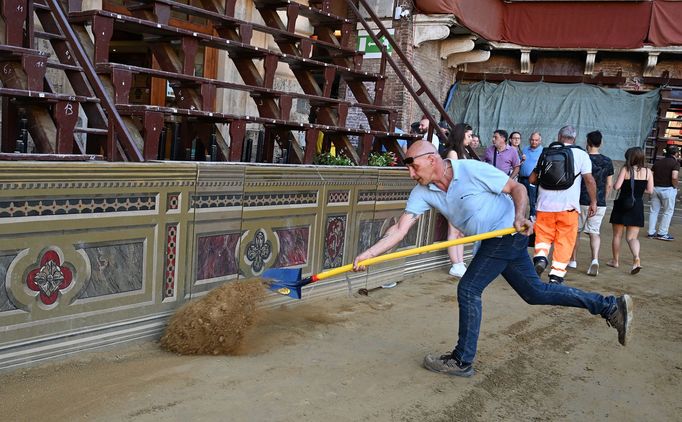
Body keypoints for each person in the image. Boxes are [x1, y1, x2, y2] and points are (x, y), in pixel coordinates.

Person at [352, 140, 632, 378]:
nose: (411, 173)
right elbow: (399, 230)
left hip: (506, 232)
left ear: (431, 159)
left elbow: (518, 189)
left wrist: (520, 216)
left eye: (413, 166)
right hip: (492, 240)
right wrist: (368, 255)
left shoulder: (472, 170)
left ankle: (462, 360)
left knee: (469, 288)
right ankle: (609, 306)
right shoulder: (423, 192)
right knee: (535, 293)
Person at [529, 125, 596, 285]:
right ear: (574, 138)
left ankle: (541, 258)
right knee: (564, 240)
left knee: (543, 236)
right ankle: (556, 275)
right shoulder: (581, 154)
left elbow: (532, 179)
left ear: (559, 136)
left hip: (544, 205)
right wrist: (593, 201)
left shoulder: (546, 152)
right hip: (569, 207)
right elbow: (589, 180)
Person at [569, 131, 614, 276]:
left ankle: (573, 260)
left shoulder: (582, 158)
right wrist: (603, 199)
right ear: (601, 143)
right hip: (599, 202)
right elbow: (609, 184)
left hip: (581, 200)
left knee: (576, 231)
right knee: (594, 232)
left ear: (587, 142)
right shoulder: (607, 161)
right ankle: (594, 260)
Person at [608, 147, 654, 274]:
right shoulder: (648, 172)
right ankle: (636, 258)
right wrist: (638, 192)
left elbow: (617, 187)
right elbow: (650, 190)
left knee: (617, 235)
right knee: (632, 237)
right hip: (637, 204)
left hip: (623, 204)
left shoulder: (625, 169)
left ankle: (615, 261)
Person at [441, 123, 478, 278]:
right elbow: (456, 176)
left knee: (460, 231)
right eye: (469, 135)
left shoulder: (463, 152)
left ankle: (460, 262)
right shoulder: (453, 153)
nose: (471, 139)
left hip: (463, 194)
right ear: (461, 135)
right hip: (454, 194)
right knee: (453, 230)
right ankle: (455, 263)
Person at [647, 145, 680, 241]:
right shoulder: (675, 163)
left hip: (655, 188)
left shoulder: (658, 162)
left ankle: (651, 232)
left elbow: (651, 175)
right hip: (668, 189)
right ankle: (662, 233)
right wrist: (675, 186)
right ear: (676, 153)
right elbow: (674, 176)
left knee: (654, 211)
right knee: (667, 212)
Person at [518, 132, 543, 218]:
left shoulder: (542, 151)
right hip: (522, 179)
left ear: (540, 141)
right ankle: (521, 218)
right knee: (521, 200)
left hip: (533, 180)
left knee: (533, 201)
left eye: (536, 140)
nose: (534, 142)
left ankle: (532, 219)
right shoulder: (525, 149)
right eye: (532, 140)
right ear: (529, 140)